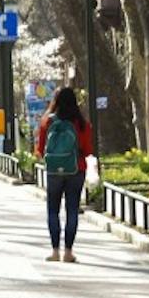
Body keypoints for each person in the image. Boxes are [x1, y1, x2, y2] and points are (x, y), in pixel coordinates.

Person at [37, 86, 94, 263]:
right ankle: (68, 252)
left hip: (54, 171)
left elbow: (40, 149)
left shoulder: (47, 122)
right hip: (76, 169)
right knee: (72, 211)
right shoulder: (82, 123)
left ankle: (55, 251)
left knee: (53, 210)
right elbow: (88, 149)